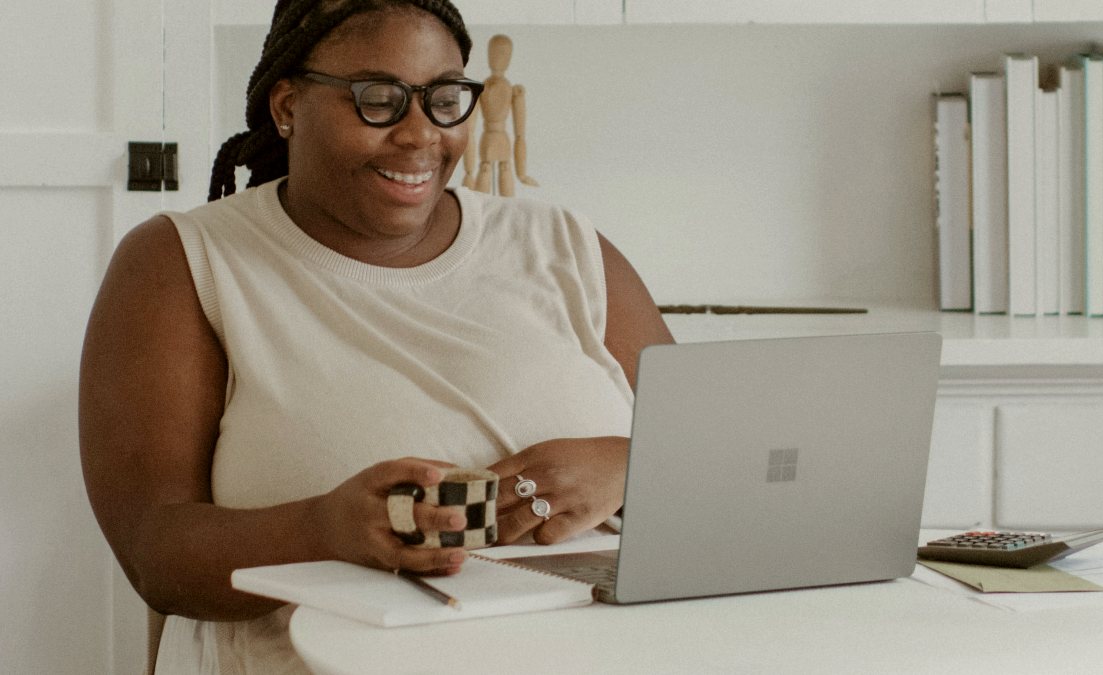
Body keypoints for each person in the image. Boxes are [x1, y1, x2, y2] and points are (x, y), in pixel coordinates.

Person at [77, 0, 672, 672]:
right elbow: (153, 551)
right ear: (287, 106)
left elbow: (726, 458)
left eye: (445, 98)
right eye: (379, 99)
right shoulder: (185, 264)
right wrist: (323, 528)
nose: (421, 135)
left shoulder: (566, 248)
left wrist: (629, 464)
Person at [462, 34, 539, 195]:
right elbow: (469, 129)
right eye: (495, 53)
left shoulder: (512, 90)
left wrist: (522, 174)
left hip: (496, 138)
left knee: (498, 170)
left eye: (502, 54)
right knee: (490, 170)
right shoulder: (488, 88)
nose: (498, 58)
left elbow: (520, 134)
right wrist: (468, 172)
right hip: (493, 138)